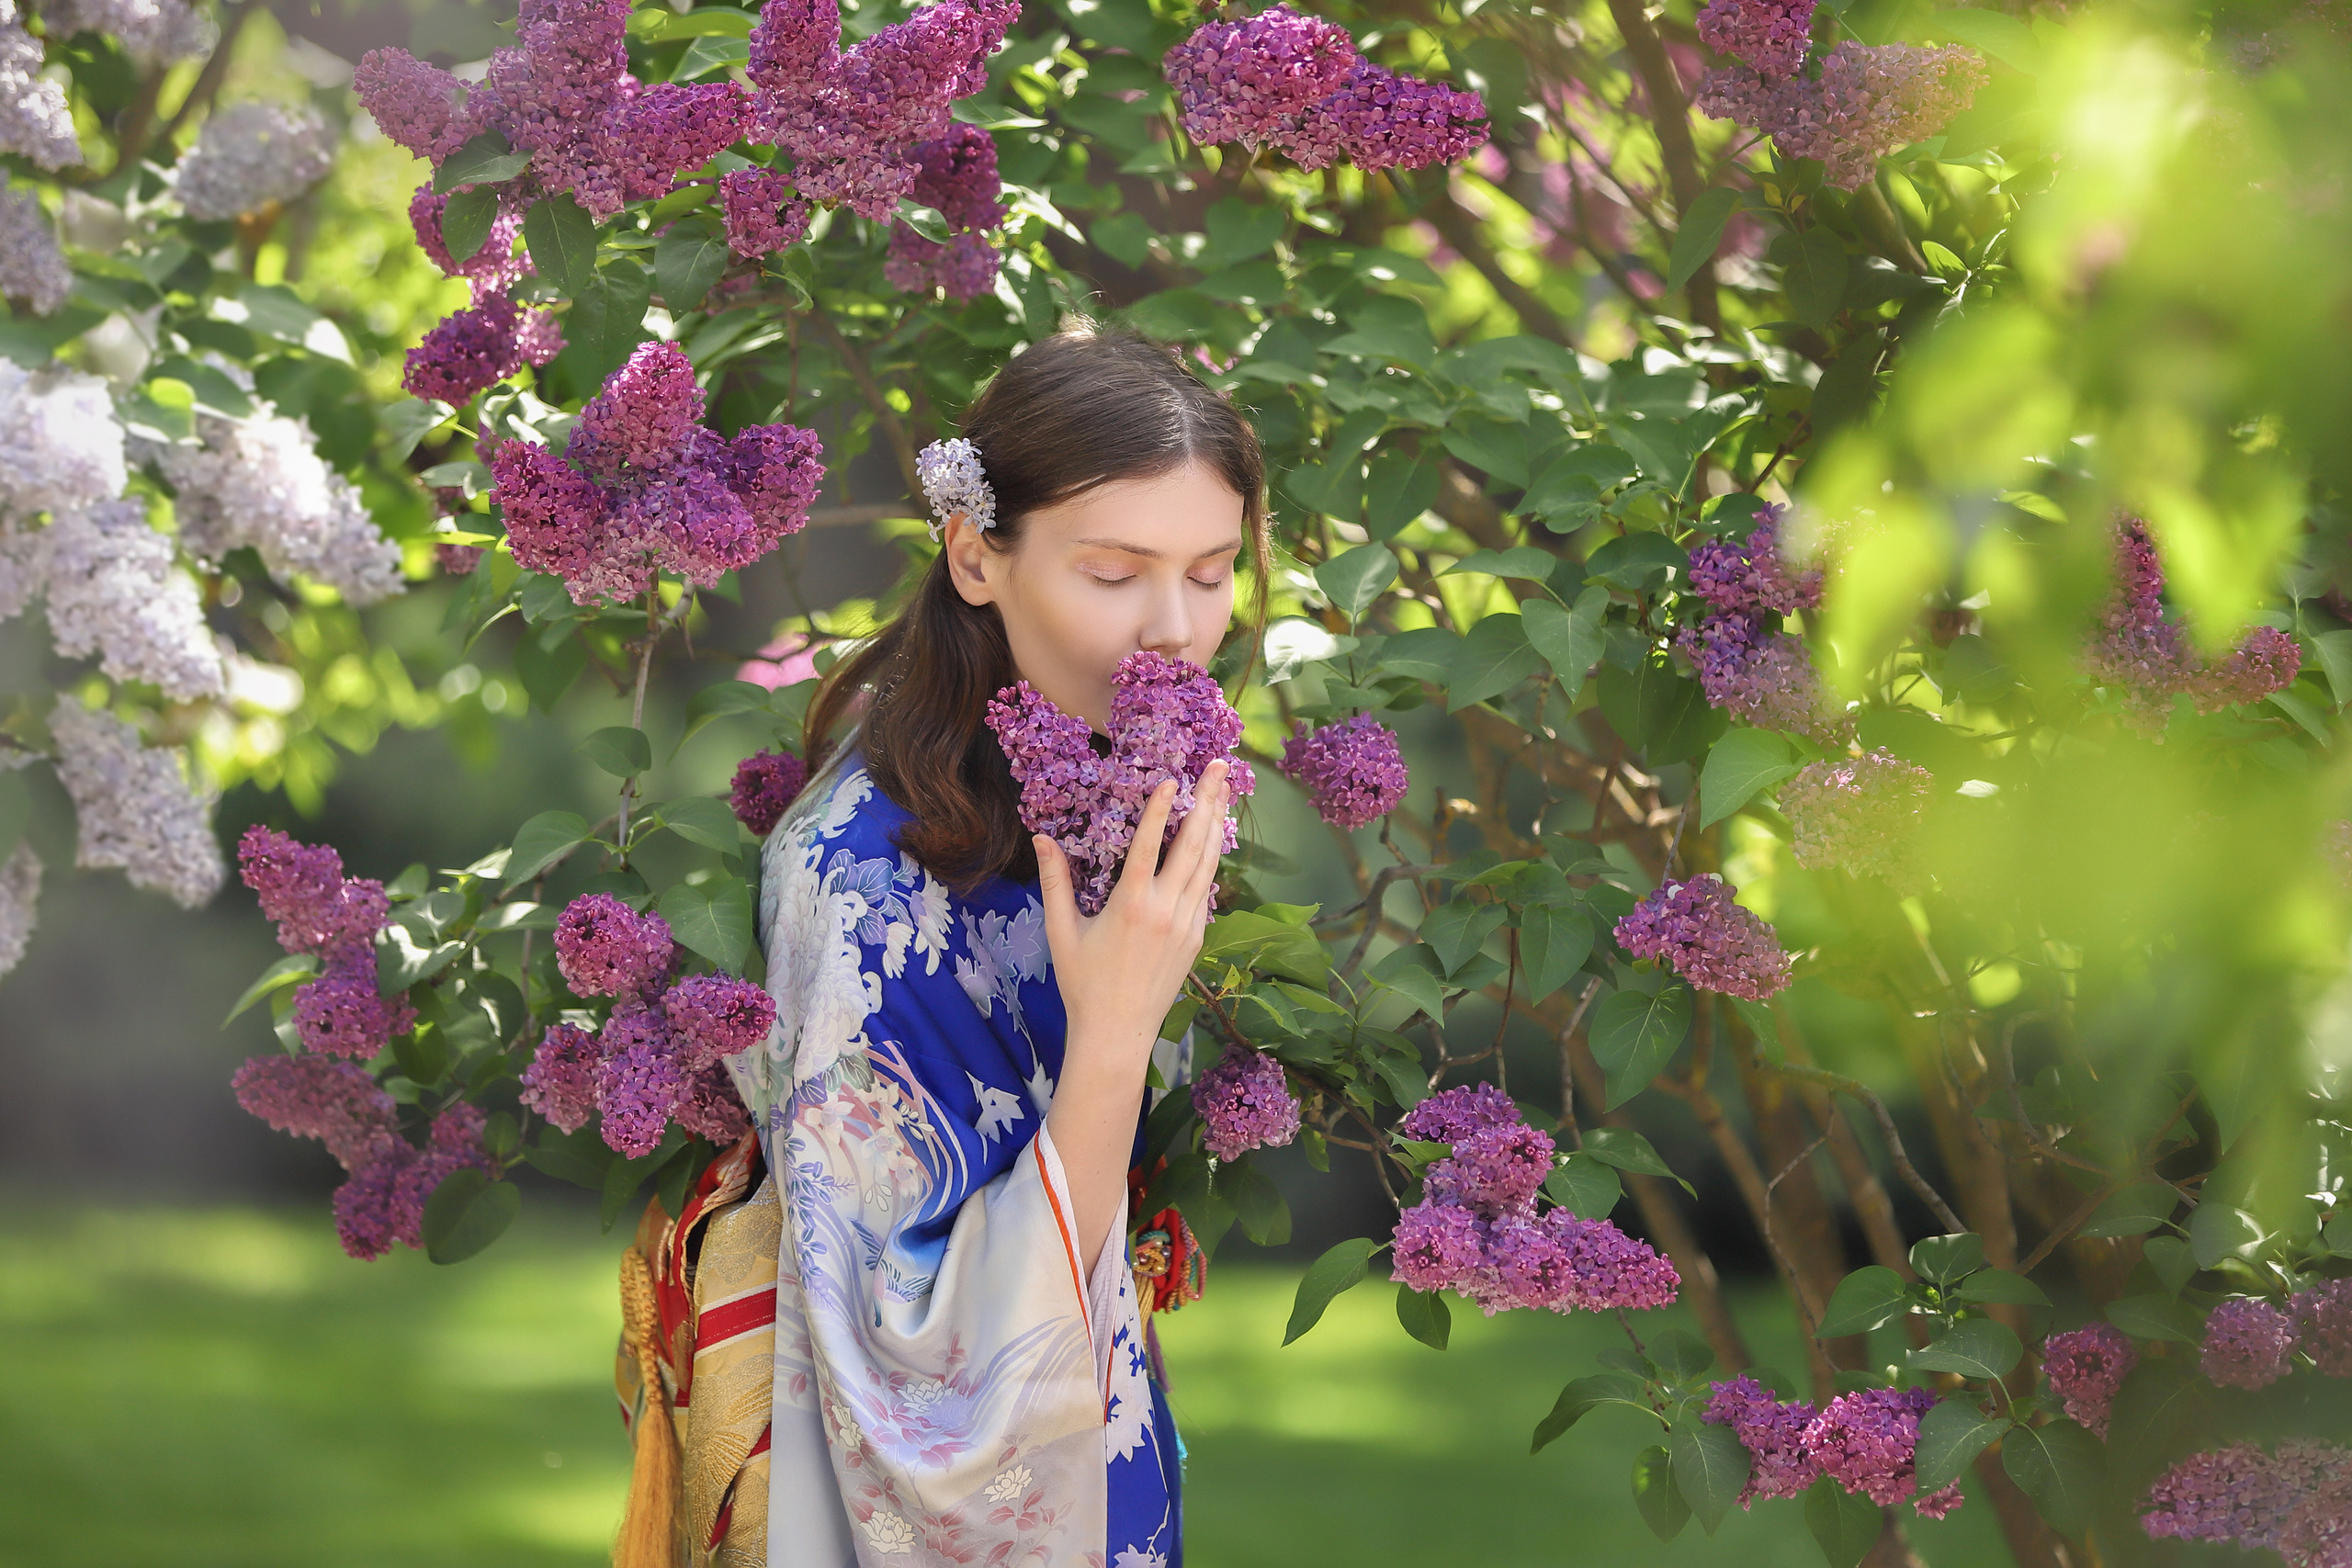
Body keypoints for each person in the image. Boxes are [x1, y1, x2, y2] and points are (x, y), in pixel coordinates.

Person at [722, 321, 1269, 1567]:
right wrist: (1120, 1025)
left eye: (1211, 570)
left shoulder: (1079, 787)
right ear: (976, 556)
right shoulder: (863, 885)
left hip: (1103, 1437)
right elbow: (914, 1345)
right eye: (1115, 573)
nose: (1175, 631)